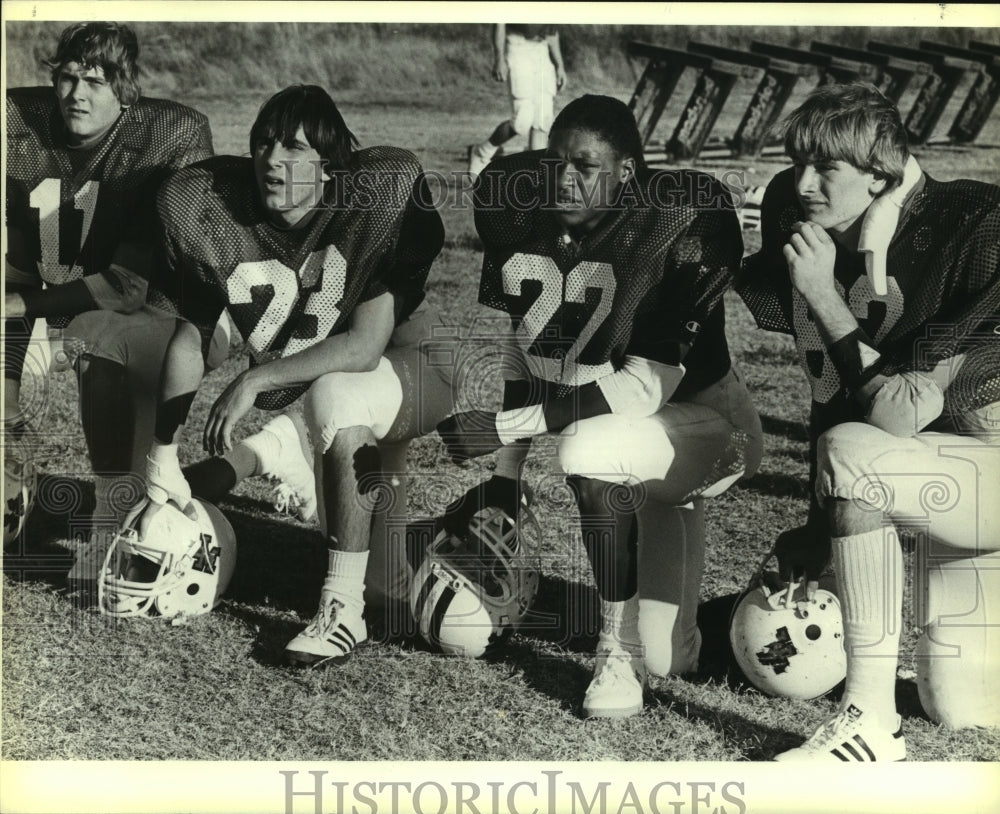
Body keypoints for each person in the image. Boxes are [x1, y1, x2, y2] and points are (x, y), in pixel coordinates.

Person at [439, 94, 763, 718]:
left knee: (587, 447)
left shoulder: (670, 227)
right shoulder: (540, 224)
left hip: (711, 430)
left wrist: (505, 426)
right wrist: (505, 475)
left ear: (629, 172)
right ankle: (709, 622)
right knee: (673, 657)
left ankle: (613, 652)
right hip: (640, 448)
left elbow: (643, 387)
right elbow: (527, 347)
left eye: (585, 166)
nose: (565, 179)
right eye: (557, 162)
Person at [141, 84, 453, 659]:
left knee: (338, 396)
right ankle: (284, 447)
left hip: (415, 374)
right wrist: (161, 452)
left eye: (294, 148)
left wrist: (254, 379)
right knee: (390, 590)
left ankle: (341, 609)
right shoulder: (210, 210)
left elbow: (364, 347)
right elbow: (191, 336)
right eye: (262, 145)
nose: (272, 161)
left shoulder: (370, 203)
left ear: (330, 167)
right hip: (339, 404)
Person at [736, 82, 1000, 761]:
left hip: (988, 468)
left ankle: (870, 723)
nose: (803, 183)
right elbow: (837, 392)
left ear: (880, 172)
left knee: (854, 449)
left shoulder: (971, 226)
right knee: (958, 711)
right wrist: (822, 531)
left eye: (827, 168)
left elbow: (900, 413)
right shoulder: (819, 226)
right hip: (949, 488)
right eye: (797, 162)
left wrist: (825, 296)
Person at [3, 22, 222, 591]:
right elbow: (19, 268)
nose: (77, 93)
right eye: (68, 77)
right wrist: (9, 415)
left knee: (96, 336)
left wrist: (14, 304)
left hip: (172, 320)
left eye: (95, 82)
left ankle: (106, 518)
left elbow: (129, 285)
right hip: (66, 304)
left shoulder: (167, 135)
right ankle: (16, 485)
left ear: (126, 92)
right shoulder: (16, 124)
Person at [467, 24, 567, 178]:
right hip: (517, 46)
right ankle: (481, 152)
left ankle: (536, 175)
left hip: (542, 49)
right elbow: (500, 22)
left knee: (542, 121)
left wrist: (560, 66)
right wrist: (499, 57)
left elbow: (552, 33)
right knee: (521, 121)